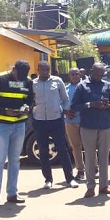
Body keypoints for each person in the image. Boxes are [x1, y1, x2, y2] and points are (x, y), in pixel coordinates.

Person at [0, 60, 33, 210]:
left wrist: (27, 107)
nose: (20, 80)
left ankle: (12, 193)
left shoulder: (27, 82)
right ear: (14, 69)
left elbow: (30, 100)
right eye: (19, 76)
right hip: (0, 126)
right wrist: (5, 111)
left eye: (24, 77)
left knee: (15, 161)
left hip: (19, 126)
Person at [71, 62, 110, 198]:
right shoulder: (82, 86)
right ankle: (90, 187)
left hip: (105, 125)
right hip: (88, 126)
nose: (98, 77)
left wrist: (108, 106)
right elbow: (74, 106)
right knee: (90, 158)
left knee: (104, 157)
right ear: (91, 72)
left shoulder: (107, 85)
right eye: (96, 74)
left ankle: (104, 186)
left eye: (101, 75)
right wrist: (90, 104)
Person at [32, 61, 77, 189]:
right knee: (43, 151)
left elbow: (65, 99)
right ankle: (48, 179)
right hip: (40, 121)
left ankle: (70, 178)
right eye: (43, 70)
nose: (46, 72)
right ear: (38, 69)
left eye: (48, 70)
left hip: (56, 120)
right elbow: (30, 100)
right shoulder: (33, 84)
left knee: (62, 149)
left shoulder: (57, 81)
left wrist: (63, 111)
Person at [65, 68, 86, 180]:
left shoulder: (86, 87)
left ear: (80, 74)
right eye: (72, 74)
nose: (75, 76)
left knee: (89, 146)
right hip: (70, 121)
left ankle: (94, 169)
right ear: (69, 76)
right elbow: (60, 102)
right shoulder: (66, 89)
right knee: (75, 147)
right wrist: (66, 112)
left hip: (85, 121)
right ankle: (80, 171)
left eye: (76, 74)